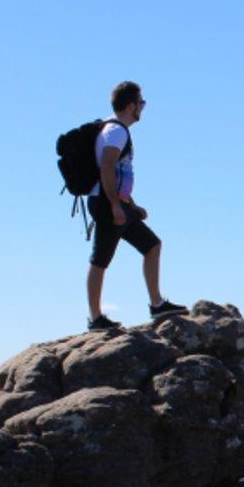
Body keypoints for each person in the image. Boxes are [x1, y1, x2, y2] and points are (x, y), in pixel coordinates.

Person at [85, 81, 187, 330]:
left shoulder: (114, 130)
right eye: (141, 102)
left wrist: (132, 204)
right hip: (107, 203)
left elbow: (119, 173)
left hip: (117, 202)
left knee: (151, 245)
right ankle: (96, 318)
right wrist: (115, 206)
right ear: (131, 105)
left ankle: (157, 304)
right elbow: (107, 168)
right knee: (100, 260)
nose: (143, 107)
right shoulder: (116, 132)